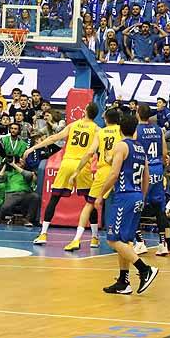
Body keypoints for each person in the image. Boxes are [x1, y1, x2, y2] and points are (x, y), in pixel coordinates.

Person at [99, 113, 159, 295]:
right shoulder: (140, 148)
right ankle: (124, 281)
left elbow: (114, 174)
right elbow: (146, 175)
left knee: (113, 239)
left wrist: (100, 195)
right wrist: (142, 195)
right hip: (137, 196)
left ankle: (144, 269)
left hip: (124, 196)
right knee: (124, 241)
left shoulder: (121, 146)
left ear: (119, 129)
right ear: (135, 129)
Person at [24, 102, 99, 246]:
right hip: (83, 166)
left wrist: (33, 148)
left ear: (85, 110)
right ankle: (95, 238)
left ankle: (43, 234)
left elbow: (53, 138)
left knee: (54, 198)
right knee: (90, 202)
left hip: (67, 164)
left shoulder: (73, 125)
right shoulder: (97, 129)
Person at [68, 107, 122, 252]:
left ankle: (76, 240)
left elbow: (89, 153)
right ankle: (127, 241)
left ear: (105, 120)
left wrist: (77, 171)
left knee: (89, 205)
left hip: (102, 172)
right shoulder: (122, 131)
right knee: (121, 206)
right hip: (119, 171)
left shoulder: (101, 132)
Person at [137, 104, 170, 256]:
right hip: (157, 169)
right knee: (159, 208)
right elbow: (165, 152)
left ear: (138, 114)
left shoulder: (136, 130)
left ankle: (139, 242)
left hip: (143, 171)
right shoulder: (158, 130)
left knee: (136, 205)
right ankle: (163, 244)